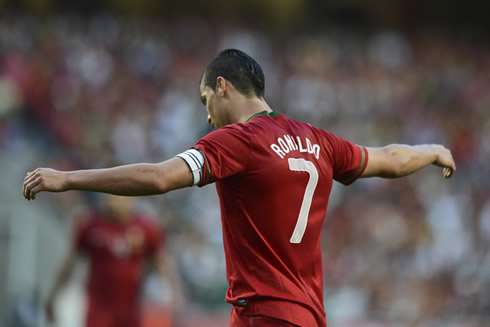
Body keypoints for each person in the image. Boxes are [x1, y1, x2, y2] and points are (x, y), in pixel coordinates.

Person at [23, 49, 456, 327]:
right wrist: (432, 148)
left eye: (205, 99)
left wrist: (69, 178)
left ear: (223, 87)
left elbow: (160, 177)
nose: (208, 115)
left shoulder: (239, 141)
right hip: (307, 316)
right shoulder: (320, 141)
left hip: (263, 313)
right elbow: (390, 159)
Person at [45, 194, 183, 327]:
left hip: (130, 310)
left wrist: (175, 295)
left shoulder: (145, 228)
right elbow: (69, 262)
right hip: (98, 310)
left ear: (131, 197)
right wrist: (54, 295)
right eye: (111, 194)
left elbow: (162, 262)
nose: (116, 199)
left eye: (121, 194)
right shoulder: (90, 225)